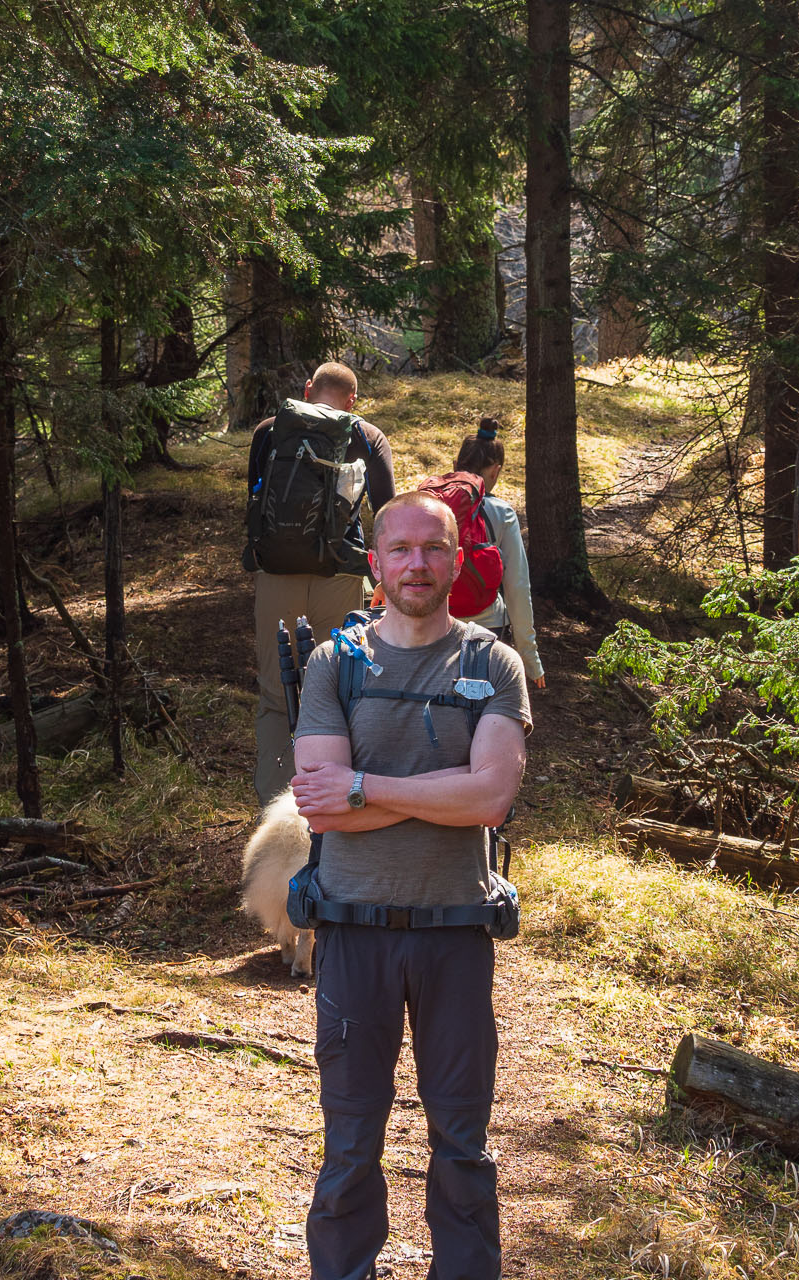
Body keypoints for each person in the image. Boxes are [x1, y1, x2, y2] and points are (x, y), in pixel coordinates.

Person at [290, 490, 532, 1280]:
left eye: (433, 549)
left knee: (462, 1143)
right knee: (350, 1145)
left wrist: (368, 789)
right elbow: (320, 804)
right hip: (352, 932)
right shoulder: (335, 663)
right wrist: (438, 791)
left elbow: (490, 799)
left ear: (458, 561)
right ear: (376, 564)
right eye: (400, 549)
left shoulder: (492, 663)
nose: (417, 564)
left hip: (456, 935)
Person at [245, 361, 395, 803]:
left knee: (276, 694)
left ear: (308, 390)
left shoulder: (269, 430)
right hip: (341, 575)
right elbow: (386, 512)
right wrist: (382, 578)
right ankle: (335, 800)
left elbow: (256, 502)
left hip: (276, 576)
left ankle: (275, 804)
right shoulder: (367, 436)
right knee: (340, 686)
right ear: (352, 401)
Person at [452, 418, 544, 689]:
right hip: (486, 626)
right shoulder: (502, 513)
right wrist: (530, 657)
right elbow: (517, 586)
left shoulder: (430, 505)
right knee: (478, 703)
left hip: (434, 623)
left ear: (456, 466)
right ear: (495, 470)